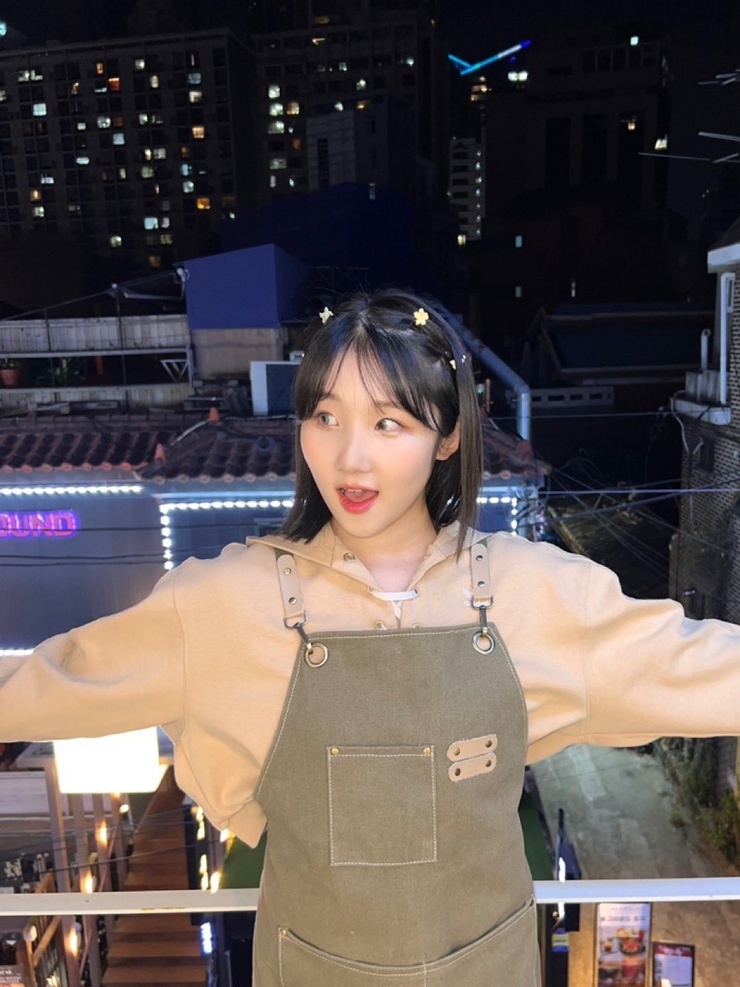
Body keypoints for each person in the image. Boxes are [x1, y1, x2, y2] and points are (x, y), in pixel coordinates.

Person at [1, 288, 739, 987]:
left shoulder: (532, 593)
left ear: (449, 435)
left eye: (388, 423)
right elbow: (47, 683)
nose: (348, 457)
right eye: (324, 416)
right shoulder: (224, 604)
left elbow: (701, 667)